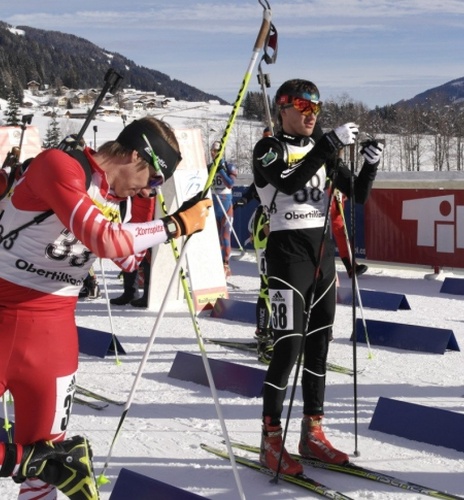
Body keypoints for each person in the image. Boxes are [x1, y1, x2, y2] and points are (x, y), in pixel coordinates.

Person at [0, 116, 212, 499]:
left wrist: (153, 209)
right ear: (135, 155)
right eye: (153, 179)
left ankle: (38, 466)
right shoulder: (60, 165)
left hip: (52, 337)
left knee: (44, 476)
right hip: (4, 314)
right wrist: (174, 225)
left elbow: (129, 261)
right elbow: (105, 240)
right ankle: (29, 462)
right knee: (45, 463)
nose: (148, 190)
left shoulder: (121, 201)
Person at [252, 79, 381, 475]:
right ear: (284, 109)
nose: (311, 115)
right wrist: (328, 145)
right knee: (287, 348)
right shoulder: (269, 149)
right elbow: (289, 181)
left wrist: (371, 164)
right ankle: (270, 439)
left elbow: (357, 193)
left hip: (322, 257)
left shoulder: (321, 151)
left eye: (316, 109)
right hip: (287, 258)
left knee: (319, 346)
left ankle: (312, 433)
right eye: (303, 107)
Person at [235, 182, 273, 364]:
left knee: (285, 286)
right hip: (266, 223)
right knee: (267, 285)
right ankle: (263, 334)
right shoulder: (270, 167)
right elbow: (257, 182)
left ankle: (280, 331)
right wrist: (245, 198)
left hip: (284, 221)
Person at [110, 195, 157, 307]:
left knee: (147, 255)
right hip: (130, 206)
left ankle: (148, 295)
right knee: (128, 250)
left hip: (146, 213)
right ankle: (130, 292)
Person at [209, 140, 238, 277]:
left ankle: (226, 264)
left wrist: (220, 170)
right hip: (213, 206)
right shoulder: (209, 167)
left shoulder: (229, 166)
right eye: (212, 150)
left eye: (216, 150)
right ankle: (216, 264)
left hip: (226, 207)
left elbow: (230, 184)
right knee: (214, 238)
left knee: (225, 236)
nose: (214, 153)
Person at [330, 189, 368, 278]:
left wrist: (344, 192)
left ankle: (351, 266)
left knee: (341, 232)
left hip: (335, 196)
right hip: (319, 198)